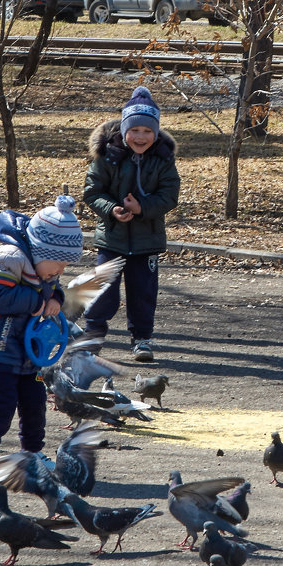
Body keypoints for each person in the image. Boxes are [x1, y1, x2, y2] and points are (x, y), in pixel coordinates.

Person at [0, 193, 84, 482]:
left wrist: (55, 296)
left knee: (34, 401)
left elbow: (47, 287)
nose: (60, 271)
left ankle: (32, 453)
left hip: (24, 351)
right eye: (58, 264)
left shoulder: (43, 267)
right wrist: (37, 303)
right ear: (40, 251)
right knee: (1, 405)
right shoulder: (8, 258)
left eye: (64, 267)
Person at [82, 86, 180, 363]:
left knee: (143, 293)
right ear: (124, 130)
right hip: (111, 238)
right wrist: (112, 209)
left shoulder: (163, 160)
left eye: (148, 131)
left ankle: (142, 338)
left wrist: (142, 209)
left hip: (146, 240)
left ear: (156, 133)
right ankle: (93, 333)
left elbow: (169, 196)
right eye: (135, 130)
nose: (141, 136)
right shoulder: (108, 157)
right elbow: (92, 192)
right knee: (103, 290)